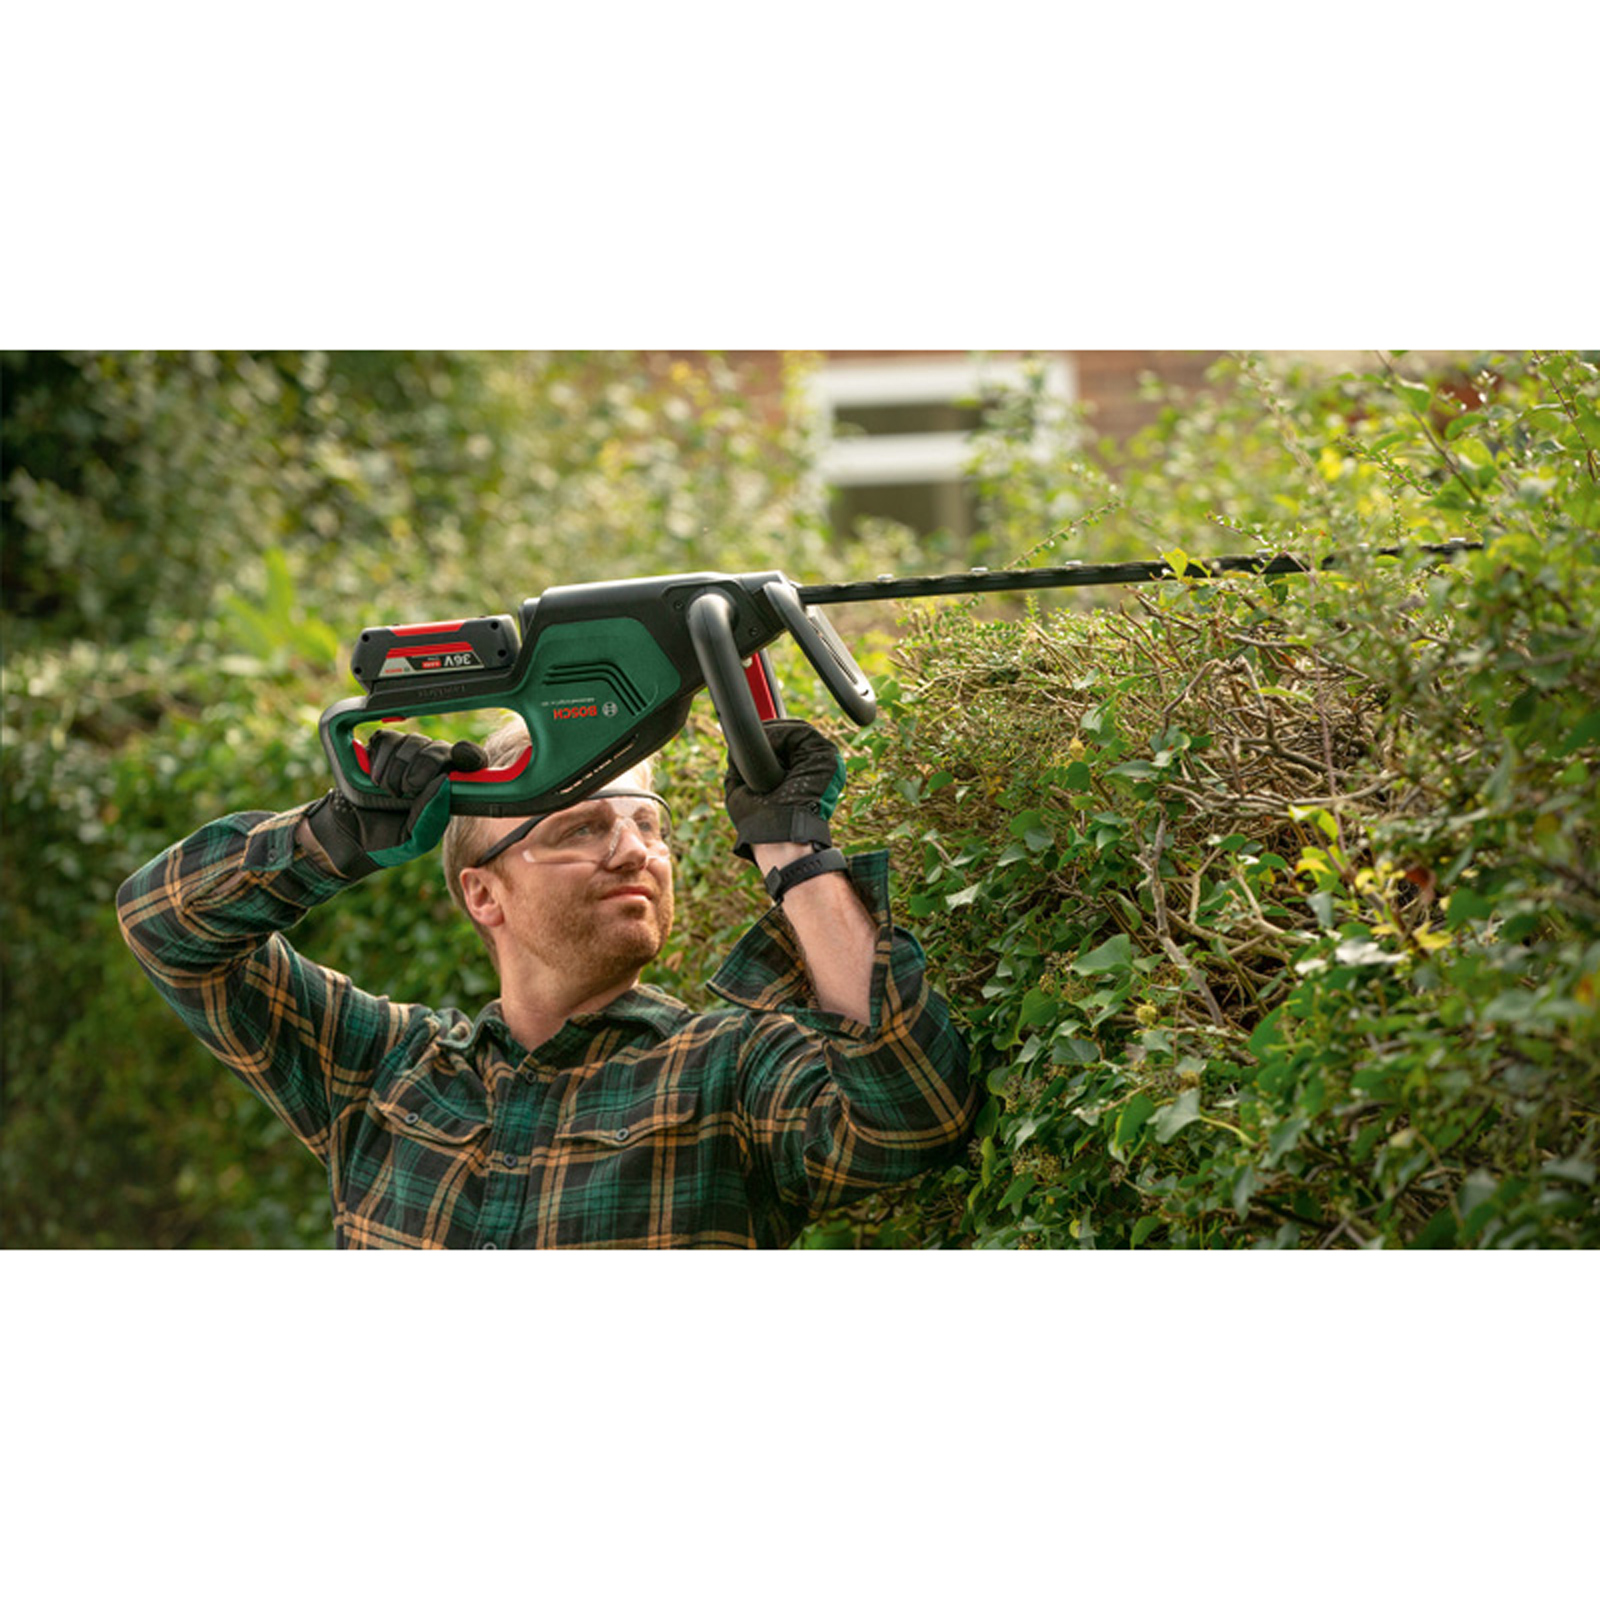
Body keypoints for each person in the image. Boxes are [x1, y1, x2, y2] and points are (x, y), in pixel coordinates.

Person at [116, 717, 978, 1248]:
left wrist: (796, 854)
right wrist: (331, 835)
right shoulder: (381, 1069)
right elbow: (165, 927)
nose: (635, 850)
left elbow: (915, 1114)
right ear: (483, 894)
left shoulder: (729, 1071)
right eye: (582, 827)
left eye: (648, 824)